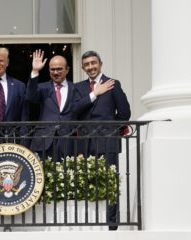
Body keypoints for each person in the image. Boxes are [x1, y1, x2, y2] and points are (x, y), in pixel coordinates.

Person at [75, 50, 131, 230]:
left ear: (100, 63)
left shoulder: (113, 84)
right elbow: (74, 110)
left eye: (93, 63)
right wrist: (95, 93)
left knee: (110, 184)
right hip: (85, 142)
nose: (90, 67)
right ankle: (89, 225)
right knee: (85, 182)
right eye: (87, 64)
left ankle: (111, 226)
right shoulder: (78, 88)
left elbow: (124, 114)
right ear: (82, 67)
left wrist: (111, 130)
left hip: (108, 141)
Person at [26, 50, 114, 161]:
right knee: (44, 176)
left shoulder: (77, 88)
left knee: (67, 176)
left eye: (59, 69)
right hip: (45, 141)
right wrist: (35, 71)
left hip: (69, 141)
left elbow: (82, 107)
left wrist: (95, 93)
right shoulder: (43, 88)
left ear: (67, 69)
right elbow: (30, 96)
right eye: (52, 69)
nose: (55, 72)